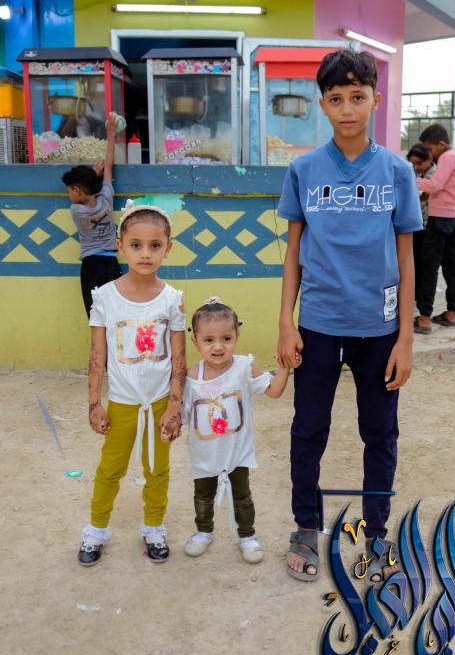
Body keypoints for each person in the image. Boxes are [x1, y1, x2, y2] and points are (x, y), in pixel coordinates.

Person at [276, 48, 422, 582]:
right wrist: (286, 321)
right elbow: (293, 251)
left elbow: (406, 258)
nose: (347, 109)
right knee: (308, 428)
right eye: (335, 99)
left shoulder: (397, 172)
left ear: (375, 100)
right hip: (317, 324)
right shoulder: (303, 170)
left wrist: (405, 338)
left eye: (357, 97)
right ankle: (305, 527)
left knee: (379, 433)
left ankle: (377, 534)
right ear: (322, 104)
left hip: (379, 331)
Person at [77, 200, 186, 566]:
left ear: (168, 249)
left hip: (159, 402)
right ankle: (96, 530)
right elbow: (97, 355)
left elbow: (179, 360)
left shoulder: (172, 300)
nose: (145, 253)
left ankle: (153, 527)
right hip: (123, 403)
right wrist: (95, 403)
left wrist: (174, 406)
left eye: (155, 245)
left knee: (157, 470)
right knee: (110, 469)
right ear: (120, 246)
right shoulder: (105, 297)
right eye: (136, 245)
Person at [182, 297, 291, 564]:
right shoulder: (190, 377)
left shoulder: (244, 367)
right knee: (203, 496)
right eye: (209, 340)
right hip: (204, 455)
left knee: (242, 497)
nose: (218, 346)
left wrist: (284, 368)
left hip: (237, 453)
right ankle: (203, 531)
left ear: (237, 337)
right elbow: (182, 416)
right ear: (195, 341)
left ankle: (247, 536)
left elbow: (273, 391)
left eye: (226, 339)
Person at [62, 113, 121, 317]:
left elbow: (86, 189)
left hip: (91, 265)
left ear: (77, 190)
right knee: (115, 314)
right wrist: (111, 134)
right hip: (111, 263)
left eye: (69, 190)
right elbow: (109, 166)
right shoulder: (107, 199)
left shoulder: (76, 211)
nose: (69, 195)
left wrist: (93, 174)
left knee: (95, 315)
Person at [414, 124, 455, 334]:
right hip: (454, 217)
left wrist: (412, 180)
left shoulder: (446, 157)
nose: (430, 153)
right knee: (452, 267)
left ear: (441, 144)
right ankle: (451, 313)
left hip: (438, 220)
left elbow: (435, 184)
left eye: (430, 148)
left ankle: (424, 318)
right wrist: (432, 195)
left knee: (429, 267)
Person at [406, 142, 435, 309]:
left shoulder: (435, 175)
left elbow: (427, 194)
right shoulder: (410, 171)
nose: (416, 167)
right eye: (413, 163)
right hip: (413, 225)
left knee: (425, 264)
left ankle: (421, 299)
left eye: (419, 163)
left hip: (428, 225)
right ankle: (413, 296)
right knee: (413, 261)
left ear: (428, 160)